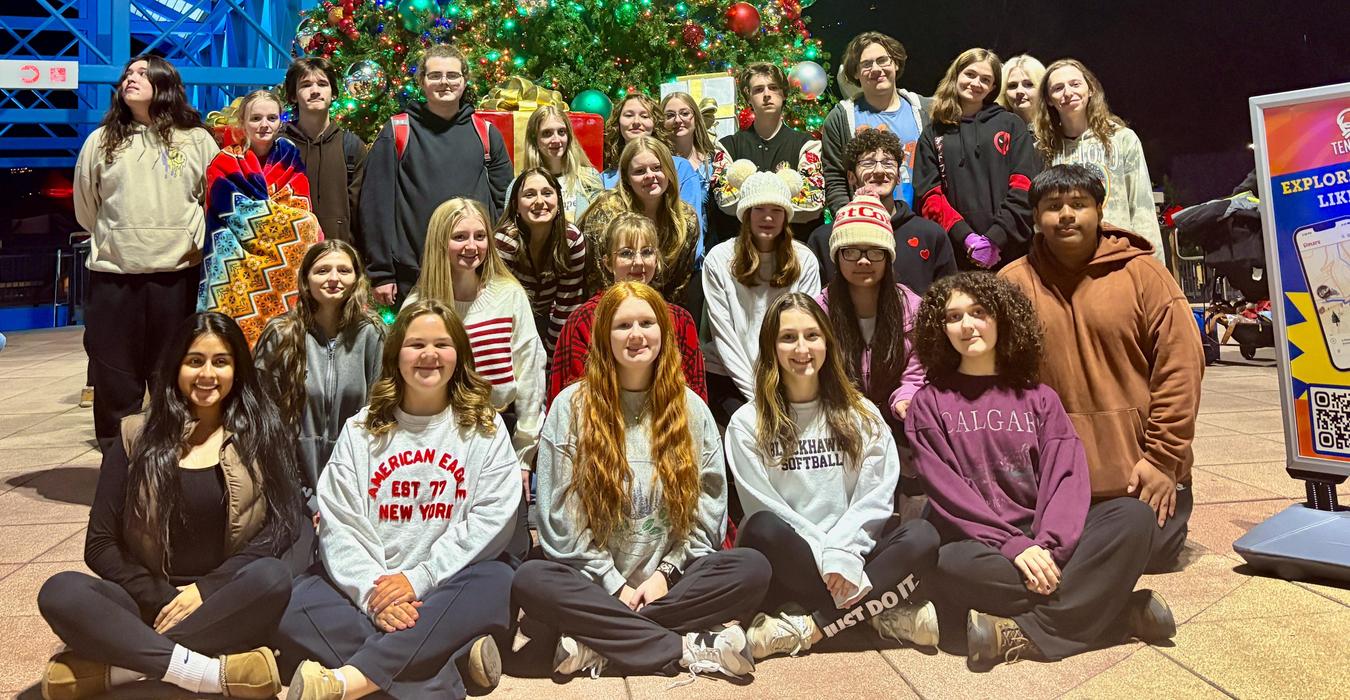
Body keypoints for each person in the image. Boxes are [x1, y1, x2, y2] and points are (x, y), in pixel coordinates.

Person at [906, 271, 1176, 668]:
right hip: (981, 546)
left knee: (1134, 516)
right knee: (950, 565)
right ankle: (1116, 616)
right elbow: (949, 494)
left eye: (979, 312)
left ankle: (1018, 633)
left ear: (1002, 318)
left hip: (1048, 538)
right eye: (953, 317)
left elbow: (1066, 478)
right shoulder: (929, 404)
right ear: (939, 329)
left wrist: (1048, 547)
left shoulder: (1040, 398)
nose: (967, 325)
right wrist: (1015, 547)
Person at [513, 282, 770, 680]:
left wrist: (664, 575)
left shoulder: (692, 409)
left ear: (663, 333)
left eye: (647, 323)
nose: (636, 335)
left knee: (752, 568)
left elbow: (709, 512)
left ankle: (596, 641)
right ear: (604, 337)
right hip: (593, 584)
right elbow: (557, 522)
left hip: (671, 583)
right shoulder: (570, 407)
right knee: (532, 579)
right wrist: (614, 584)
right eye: (623, 325)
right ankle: (686, 646)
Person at [38, 312, 302, 699]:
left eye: (221, 362)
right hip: (147, 598)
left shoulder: (263, 431)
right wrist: (163, 597)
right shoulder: (134, 434)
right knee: (60, 592)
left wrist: (207, 590)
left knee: (272, 578)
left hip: (226, 598)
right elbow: (99, 544)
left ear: (238, 369)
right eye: (194, 361)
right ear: (176, 366)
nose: (207, 374)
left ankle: (124, 666)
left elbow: (283, 525)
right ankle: (209, 673)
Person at [276, 300, 518, 699]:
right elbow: (339, 523)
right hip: (371, 591)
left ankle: (348, 681)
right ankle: (444, 665)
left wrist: (417, 579)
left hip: (447, 583)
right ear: (395, 356)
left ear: (459, 354)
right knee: (295, 603)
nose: (428, 355)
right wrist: (374, 595)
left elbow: (493, 521)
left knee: (498, 580)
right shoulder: (361, 431)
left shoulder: (485, 428)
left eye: (441, 344)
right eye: (415, 344)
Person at [1000, 165, 1203, 573]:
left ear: (1100, 210)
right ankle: (1127, 612)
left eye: (1079, 204)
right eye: (1053, 206)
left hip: (1141, 478)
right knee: (1044, 558)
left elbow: (1180, 367)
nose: (1067, 215)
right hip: (1054, 488)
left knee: (1139, 551)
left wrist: (1163, 460)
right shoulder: (1012, 283)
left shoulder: (1143, 273)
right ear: (1036, 218)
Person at [727, 293, 940, 660]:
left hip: (855, 555)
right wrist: (829, 558)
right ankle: (874, 613)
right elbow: (766, 506)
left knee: (923, 535)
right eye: (788, 337)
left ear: (827, 341)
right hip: (797, 561)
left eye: (812, 335)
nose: (802, 348)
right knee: (760, 526)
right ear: (771, 347)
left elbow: (875, 499)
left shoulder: (863, 413)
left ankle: (812, 627)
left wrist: (844, 553)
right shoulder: (747, 423)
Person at [74, 54, 219, 449]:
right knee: (114, 383)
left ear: (164, 83)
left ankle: (175, 465)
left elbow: (213, 200)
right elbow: (87, 209)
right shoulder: (100, 141)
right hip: (114, 279)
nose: (130, 78)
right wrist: (119, 238)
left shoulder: (197, 139)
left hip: (177, 278)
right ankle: (117, 470)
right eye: (128, 74)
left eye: (142, 73)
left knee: (175, 380)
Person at [410, 197, 546, 514]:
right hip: (437, 441)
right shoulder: (419, 305)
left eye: (480, 236)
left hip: (499, 433)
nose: (472, 246)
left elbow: (530, 377)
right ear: (439, 241)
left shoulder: (508, 294)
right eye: (460, 237)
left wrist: (523, 457)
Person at [253, 240, 384, 567]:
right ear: (306, 279)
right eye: (322, 270)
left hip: (354, 487)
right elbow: (262, 420)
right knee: (290, 573)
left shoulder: (373, 334)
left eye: (344, 270)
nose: (333, 278)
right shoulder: (281, 334)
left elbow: (380, 421)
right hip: (290, 484)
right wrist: (304, 500)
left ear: (357, 278)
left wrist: (337, 502)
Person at [360, 44, 514, 306]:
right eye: (435, 75)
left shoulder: (486, 134)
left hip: (475, 275)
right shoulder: (398, 131)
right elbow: (376, 206)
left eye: (453, 75)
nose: (445, 82)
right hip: (414, 278)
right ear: (422, 82)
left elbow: (505, 206)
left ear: (465, 81)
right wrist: (381, 272)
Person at [814, 196, 927, 506]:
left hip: (899, 421)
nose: (863, 261)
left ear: (888, 256)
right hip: (840, 421)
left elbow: (920, 366)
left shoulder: (911, 306)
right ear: (837, 256)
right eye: (851, 251)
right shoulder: (818, 310)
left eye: (875, 251)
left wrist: (907, 395)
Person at [199, 89, 324, 347]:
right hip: (234, 263)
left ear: (280, 121)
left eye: (271, 118)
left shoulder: (289, 157)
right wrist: (286, 220)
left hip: (283, 268)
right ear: (242, 122)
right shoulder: (224, 163)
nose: (264, 125)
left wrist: (288, 220)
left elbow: (300, 208)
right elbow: (236, 214)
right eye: (256, 118)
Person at [549, 213, 706, 407]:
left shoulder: (680, 320)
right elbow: (565, 403)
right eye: (626, 253)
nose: (638, 262)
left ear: (657, 260)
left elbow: (696, 401)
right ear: (607, 263)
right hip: (597, 427)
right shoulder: (583, 319)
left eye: (647, 252)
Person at [702, 170, 821, 425]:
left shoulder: (805, 260)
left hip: (788, 377)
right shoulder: (719, 259)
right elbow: (724, 335)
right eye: (759, 209)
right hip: (730, 379)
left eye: (777, 210)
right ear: (746, 214)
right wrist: (759, 399)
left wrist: (784, 391)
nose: (768, 217)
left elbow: (806, 331)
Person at [915, 48, 1040, 271]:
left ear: (993, 87)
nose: (976, 83)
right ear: (956, 76)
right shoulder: (933, 132)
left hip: (1009, 251)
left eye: (985, 79)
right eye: (970, 74)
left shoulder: (1011, 124)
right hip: (955, 252)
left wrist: (995, 239)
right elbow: (929, 196)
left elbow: (1023, 186)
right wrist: (966, 238)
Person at [1035, 59, 1164, 258]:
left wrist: (1153, 265)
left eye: (1075, 84)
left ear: (1090, 89)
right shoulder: (1043, 149)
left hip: (1118, 254)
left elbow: (1141, 206)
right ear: (1049, 99)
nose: (1068, 93)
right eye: (1058, 88)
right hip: (1064, 259)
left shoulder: (1122, 139)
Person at [808, 128, 955, 294]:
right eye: (868, 163)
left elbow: (948, 299)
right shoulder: (824, 239)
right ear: (851, 177)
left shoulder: (930, 235)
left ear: (899, 176)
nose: (879, 171)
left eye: (888, 163)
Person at [709, 63, 824, 248]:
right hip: (741, 253)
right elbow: (726, 201)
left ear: (784, 93)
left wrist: (749, 196)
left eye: (773, 87)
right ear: (749, 98)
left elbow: (811, 204)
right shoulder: (727, 146)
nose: (767, 94)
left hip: (794, 250)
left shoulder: (808, 145)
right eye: (758, 89)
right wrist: (784, 194)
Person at [579, 136, 700, 303]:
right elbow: (595, 279)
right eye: (639, 171)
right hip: (609, 306)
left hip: (660, 309)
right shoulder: (605, 214)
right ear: (627, 178)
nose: (650, 176)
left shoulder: (687, 219)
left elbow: (679, 286)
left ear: (670, 171)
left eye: (657, 168)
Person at [822, 33, 931, 215]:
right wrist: (850, 220)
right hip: (865, 226)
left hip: (918, 224)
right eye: (866, 64)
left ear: (895, 63)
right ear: (855, 72)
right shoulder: (840, 118)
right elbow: (835, 179)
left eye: (883, 60)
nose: (876, 69)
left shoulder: (924, 111)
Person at [494, 167, 587, 355]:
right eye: (529, 195)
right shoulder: (504, 242)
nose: (539, 201)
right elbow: (499, 308)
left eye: (547, 193)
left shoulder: (572, 240)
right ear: (516, 206)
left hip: (550, 317)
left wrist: (552, 365)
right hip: (509, 319)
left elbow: (566, 308)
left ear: (559, 203)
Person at [280, 56, 368, 243]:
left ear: (333, 93)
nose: (315, 91)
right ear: (294, 95)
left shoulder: (351, 146)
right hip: (289, 258)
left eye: (322, 84)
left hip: (339, 257)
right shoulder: (280, 146)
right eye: (305, 85)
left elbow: (363, 211)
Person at [598, 94, 703, 216]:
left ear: (655, 123)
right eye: (629, 115)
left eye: (644, 116)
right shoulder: (604, 179)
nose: (636, 122)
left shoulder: (680, 168)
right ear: (618, 123)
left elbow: (692, 226)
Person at [516, 105, 603, 222]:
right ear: (534, 140)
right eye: (547, 133)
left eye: (561, 132)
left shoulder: (589, 178)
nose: (556, 140)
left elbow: (602, 227)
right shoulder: (520, 185)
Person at [661, 91, 714, 243]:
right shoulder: (658, 166)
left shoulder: (713, 162)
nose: (678, 120)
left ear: (696, 118)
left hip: (711, 250)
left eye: (684, 113)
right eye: (670, 115)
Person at [997, 55, 1046, 127]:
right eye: (1012, 86)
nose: (1019, 91)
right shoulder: (996, 128)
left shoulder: (1058, 129)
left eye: (1029, 84)